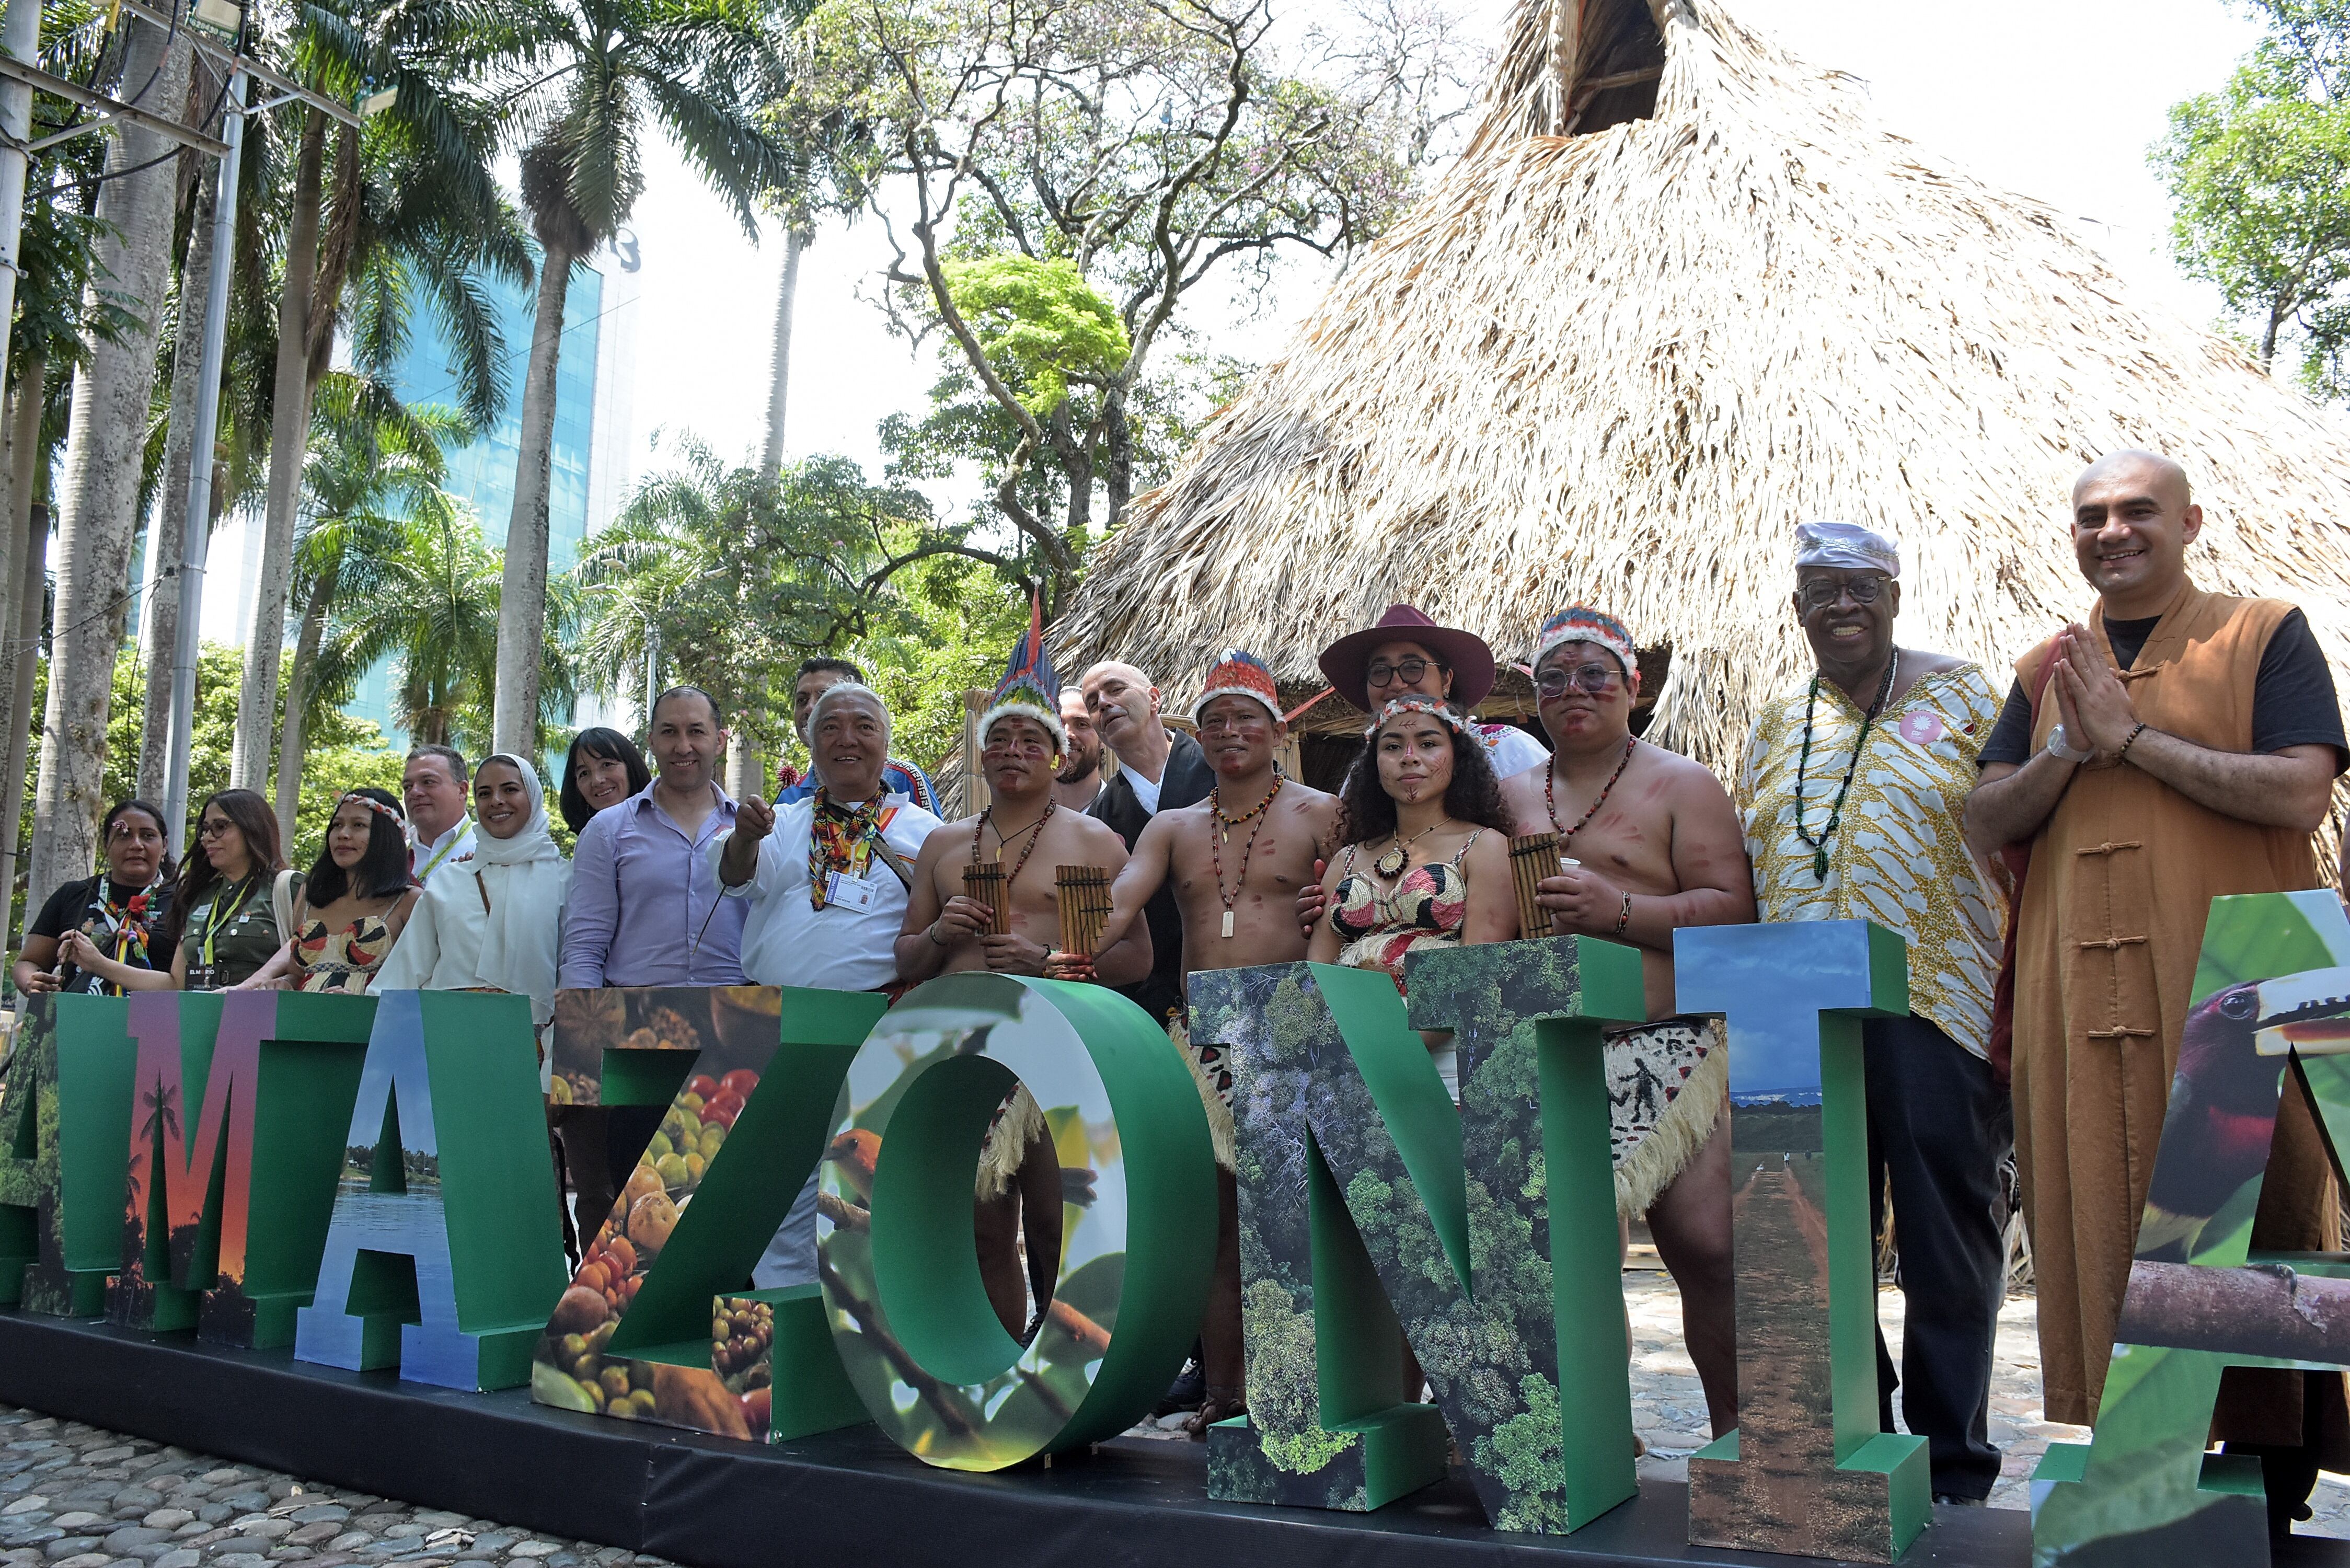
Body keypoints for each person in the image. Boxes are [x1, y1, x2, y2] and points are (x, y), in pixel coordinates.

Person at [1965, 451, 2349, 1531]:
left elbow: (2298, 788)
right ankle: (2146, 1477)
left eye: (2137, 511)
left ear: (2188, 521)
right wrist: (2072, 756)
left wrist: (2133, 738)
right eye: (2090, 516)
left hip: (2246, 984)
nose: (2112, 531)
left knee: (2265, 1212)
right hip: (2083, 995)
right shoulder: (2050, 664)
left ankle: (2269, 1488)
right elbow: (1985, 820)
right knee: (2101, 1207)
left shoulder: (2261, 631)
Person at [1737, 525, 2011, 1504]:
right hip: (1795, 1016)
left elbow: (2021, 841)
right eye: (1820, 591)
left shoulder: (1970, 697)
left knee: (1945, 1231)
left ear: (1894, 595)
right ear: (1796, 608)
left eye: (1859, 587)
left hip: (1935, 1001)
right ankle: (1857, 1435)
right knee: (1814, 1240)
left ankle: (1952, 1463)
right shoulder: (1776, 725)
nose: (1839, 605)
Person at [1496, 607, 1756, 1438]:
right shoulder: (1505, 797)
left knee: (1707, 1245)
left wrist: (1620, 909)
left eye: (1594, 675)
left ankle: (1742, 1438)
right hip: (1551, 1049)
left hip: (1666, 1040)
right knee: (1558, 1262)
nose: (1574, 692)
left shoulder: (1683, 785)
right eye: (1554, 679)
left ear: (1632, 687)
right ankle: (1588, 1436)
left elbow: (1732, 911)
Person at [1096, 651, 1342, 1435]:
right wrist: (1070, 945)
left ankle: (1307, 1389)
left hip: (1298, 1032)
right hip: (1202, 1040)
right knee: (1217, 1228)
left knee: (1296, 1222)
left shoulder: (1322, 814)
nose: (1231, 732)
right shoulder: (1171, 827)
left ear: (1275, 732)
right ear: (1195, 734)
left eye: (1247, 719)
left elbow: (1359, 907)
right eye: (1216, 721)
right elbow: (1120, 902)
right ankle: (1227, 1392)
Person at [898, 636, 1150, 1339]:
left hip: (1052, 1043)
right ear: (982, 756)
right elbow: (907, 959)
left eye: (1029, 739)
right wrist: (943, 935)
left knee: (1051, 1220)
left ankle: (1063, 1373)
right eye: (999, 738)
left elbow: (1132, 958)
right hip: (955, 1045)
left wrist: (1048, 959)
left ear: (1057, 755)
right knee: (978, 1225)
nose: (1012, 749)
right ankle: (998, 1368)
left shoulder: (1093, 845)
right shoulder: (944, 846)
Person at [716, 682, 945, 1290]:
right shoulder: (781, 822)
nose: (847, 739)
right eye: (831, 727)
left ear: (887, 744)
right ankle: (782, 1321)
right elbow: (735, 877)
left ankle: (863, 1331)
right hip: (778, 1026)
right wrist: (744, 835)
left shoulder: (926, 832)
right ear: (810, 743)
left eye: (863, 726)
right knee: (776, 1178)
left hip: (876, 1026)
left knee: (863, 1186)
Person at [376, 754, 572, 1048]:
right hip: (448, 1043)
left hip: (535, 1053)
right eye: (484, 793)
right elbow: (404, 971)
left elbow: (573, 974)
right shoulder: (450, 880)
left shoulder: (566, 880)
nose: (496, 801)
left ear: (532, 794)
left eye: (510, 790)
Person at [560, 686, 748, 990]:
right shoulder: (607, 830)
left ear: (719, 742)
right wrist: (584, 1028)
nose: (683, 746)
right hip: (634, 1020)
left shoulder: (750, 829)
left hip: (738, 1017)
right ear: (651, 742)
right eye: (669, 732)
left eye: (696, 731)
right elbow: (585, 946)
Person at [1080, 660, 1215, 1028]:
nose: (1104, 704)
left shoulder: (1221, 770)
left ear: (1154, 698)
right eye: (1093, 703)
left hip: (1236, 977)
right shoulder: (1099, 820)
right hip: (1148, 1002)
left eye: (1115, 689)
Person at [1319, 603, 1550, 781]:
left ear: (1446, 680)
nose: (1397, 684)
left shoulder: (1507, 750)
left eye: (1413, 668)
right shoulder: (1365, 772)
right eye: (1380, 671)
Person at [238, 789, 420, 995]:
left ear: (387, 835)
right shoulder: (310, 895)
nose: (343, 834)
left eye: (358, 825)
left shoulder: (410, 901)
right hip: (304, 1021)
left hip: (372, 1024)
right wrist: (284, 983)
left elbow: (419, 984)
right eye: (337, 825)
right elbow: (297, 974)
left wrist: (361, 1002)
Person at [117, 790, 298, 993]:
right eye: (205, 829)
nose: (208, 838)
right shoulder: (199, 894)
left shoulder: (287, 886)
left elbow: (312, 955)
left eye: (220, 827)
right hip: (200, 1015)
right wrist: (98, 963)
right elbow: (176, 984)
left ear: (252, 827)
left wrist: (262, 982)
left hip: (261, 1016)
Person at [18, 800, 176, 997]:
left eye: (148, 836)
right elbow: (28, 962)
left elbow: (186, 981)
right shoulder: (73, 894)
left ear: (164, 847)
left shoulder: (184, 899)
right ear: (106, 845)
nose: (136, 845)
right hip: (79, 1020)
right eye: (124, 835)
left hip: (156, 1022)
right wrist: (30, 981)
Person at [774, 656, 940, 813]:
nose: (810, 708)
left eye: (825, 695)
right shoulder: (789, 797)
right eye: (802, 700)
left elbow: (936, 840)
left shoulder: (905, 779)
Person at [404, 745, 476, 888]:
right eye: (408, 786)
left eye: (428, 782)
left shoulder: (487, 848)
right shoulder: (395, 854)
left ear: (462, 790)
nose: (415, 792)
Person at [559, 728, 652, 836]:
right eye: (584, 773)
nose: (597, 781)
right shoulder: (590, 840)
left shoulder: (665, 824)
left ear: (631, 766)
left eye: (607, 765)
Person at [1052, 688, 1105, 811]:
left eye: (1082, 724)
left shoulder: (1123, 813)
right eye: (1057, 724)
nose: (1066, 734)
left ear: (1103, 737)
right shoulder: (1022, 815)